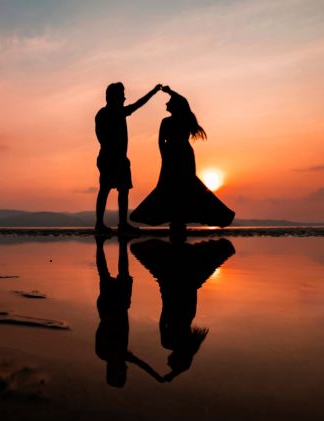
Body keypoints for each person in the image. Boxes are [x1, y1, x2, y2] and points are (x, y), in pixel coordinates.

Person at [130, 86, 235, 238]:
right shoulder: (178, 120)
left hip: (178, 154)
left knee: (182, 186)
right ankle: (177, 220)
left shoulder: (177, 120)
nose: (166, 104)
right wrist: (164, 156)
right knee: (172, 186)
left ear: (175, 106)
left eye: (169, 101)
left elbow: (161, 142)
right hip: (178, 154)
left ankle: (179, 220)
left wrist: (170, 91)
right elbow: (161, 141)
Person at [130, 237, 236, 382]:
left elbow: (185, 363)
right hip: (172, 287)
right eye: (170, 363)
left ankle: (179, 237)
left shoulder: (190, 341)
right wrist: (172, 374)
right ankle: (178, 238)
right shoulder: (168, 342)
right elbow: (163, 316)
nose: (166, 362)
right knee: (141, 249)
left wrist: (173, 374)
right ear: (177, 359)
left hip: (189, 284)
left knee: (220, 249)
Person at [95, 82, 163, 235]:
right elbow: (138, 104)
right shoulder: (111, 113)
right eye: (122, 95)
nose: (125, 98)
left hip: (114, 158)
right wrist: (153, 92)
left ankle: (117, 224)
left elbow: (138, 104)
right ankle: (105, 224)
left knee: (119, 190)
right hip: (112, 159)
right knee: (108, 190)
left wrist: (152, 92)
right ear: (114, 97)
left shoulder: (109, 113)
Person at [95, 235, 162, 387]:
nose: (125, 369)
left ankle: (105, 245)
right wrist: (157, 376)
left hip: (112, 307)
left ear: (113, 370)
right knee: (112, 272)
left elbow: (101, 329)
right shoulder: (115, 355)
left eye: (122, 372)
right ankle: (117, 245)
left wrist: (157, 376)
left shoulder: (108, 353)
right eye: (125, 373)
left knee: (107, 273)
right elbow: (142, 365)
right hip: (116, 305)